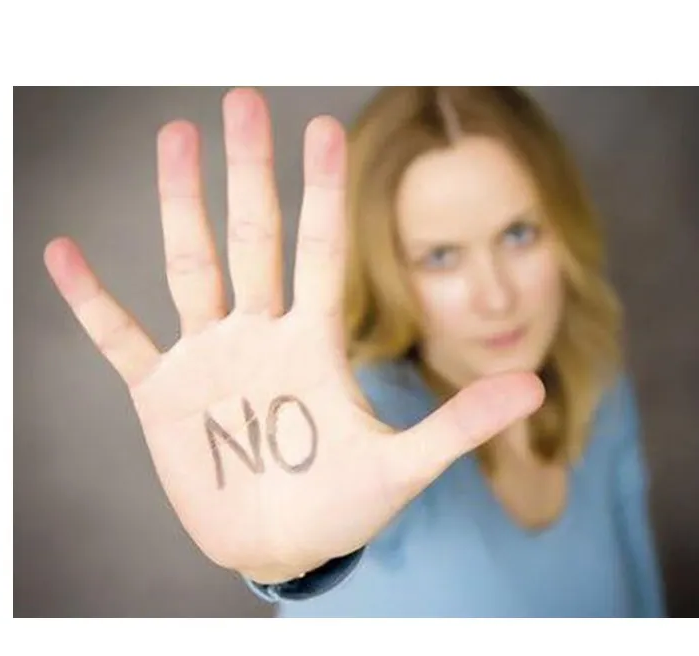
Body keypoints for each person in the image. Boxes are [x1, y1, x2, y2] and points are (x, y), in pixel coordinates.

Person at [43, 86, 666, 617]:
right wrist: (292, 564)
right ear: (386, 271)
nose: (496, 295)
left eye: (518, 234)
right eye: (440, 256)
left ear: (566, 229)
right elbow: (330, 497)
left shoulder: (597, 383)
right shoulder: (367, 414)